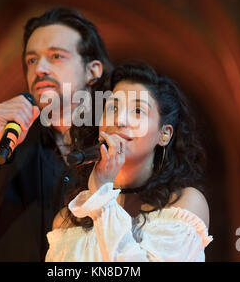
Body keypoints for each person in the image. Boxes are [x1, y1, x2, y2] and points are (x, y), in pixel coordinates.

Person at [0, 7, 113, 261]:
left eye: (56, 56)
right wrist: (0, 154)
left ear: (92, 71)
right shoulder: (10, 154)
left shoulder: (119, 144)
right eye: (31, 60)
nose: (39, 68)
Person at [46, 62, 213, 262]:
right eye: (112, 108)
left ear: (164, 134)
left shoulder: (184, 204)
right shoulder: (67, 222)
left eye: (137, 111)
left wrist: (102, 196)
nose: (120, 120)